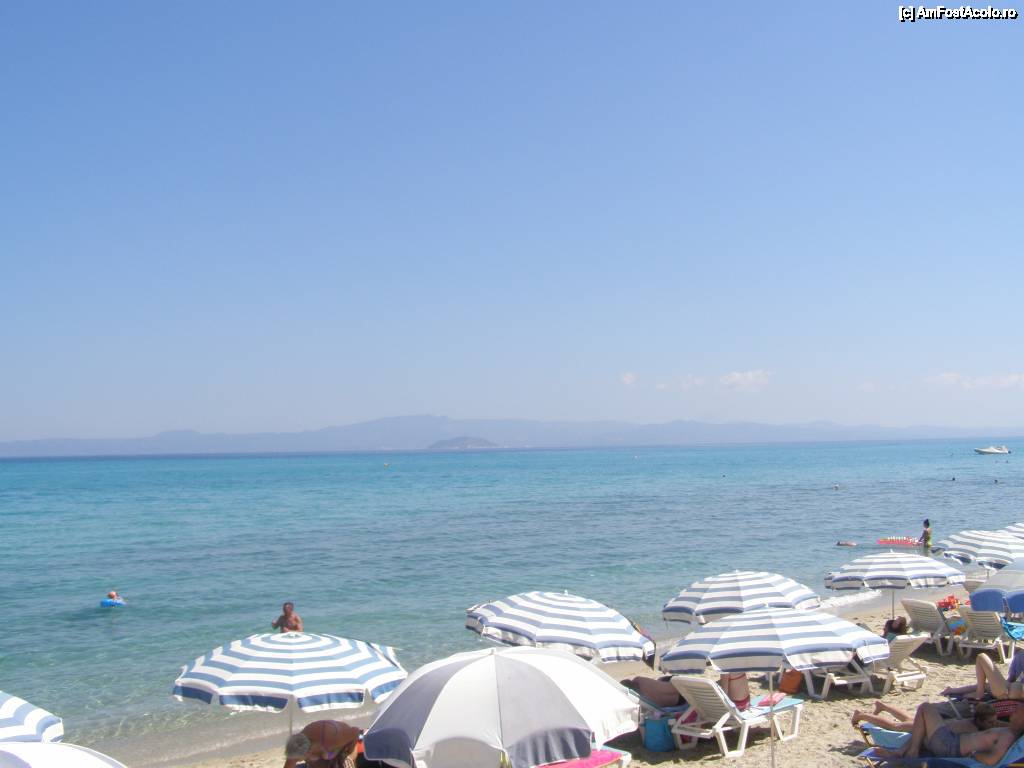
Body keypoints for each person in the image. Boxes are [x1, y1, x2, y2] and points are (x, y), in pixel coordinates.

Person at [877, 701, 1024, 763]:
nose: (1012, 712)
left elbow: (993, 759)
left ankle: (911, 752)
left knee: (925, 708)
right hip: (951, 741)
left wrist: (972, 755)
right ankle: (901, 752)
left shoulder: (1008, 736)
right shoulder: (1010, 729)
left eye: (1016, 712)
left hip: (950, 747)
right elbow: (995, 724)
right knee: (922, 729)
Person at [852, 700, 996, 733]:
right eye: (990, 722)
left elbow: (1000, 725)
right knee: (895, 726)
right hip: (930, 727)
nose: (993, 725)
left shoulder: (975, 722)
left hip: (936, 722)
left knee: (909, 720)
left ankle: (883, 706)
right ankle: (861, 715)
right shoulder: (971, 727)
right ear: (980, 720)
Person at [942, 652, 1024, 701]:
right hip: (1007, 690)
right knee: (983, 685)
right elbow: (1011, 680)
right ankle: (951, 690)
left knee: (981, 657)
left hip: (1007, 691)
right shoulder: (1020, 656)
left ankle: (979, 693)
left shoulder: (1020, 656)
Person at [284, 720, 361, 768]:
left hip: (342, 747)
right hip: (325, 753)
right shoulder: (296, 746)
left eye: (298, 759)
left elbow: (355, 731)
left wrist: (349, 753)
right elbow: (290, 762)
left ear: (307, 752)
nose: (298, 761)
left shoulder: (331, 741)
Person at [620, 676, 686, 708]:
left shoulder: (640, 702)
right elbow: (676, 688)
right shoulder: (639, 681)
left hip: (677, 699)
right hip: (678, 693)